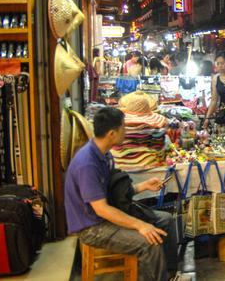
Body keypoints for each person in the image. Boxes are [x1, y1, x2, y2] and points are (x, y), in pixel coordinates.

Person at [64, 107, 178, 281]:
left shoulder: (104, 154)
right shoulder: (87, 163)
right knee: (150, 243)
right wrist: (140, 225)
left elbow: (114, 193)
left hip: (107, 214)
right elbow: (102, 209)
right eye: (123, 127)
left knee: (166, 221)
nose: (126, 131)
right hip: (93, 226)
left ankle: (170, 275)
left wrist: (143, 186)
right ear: (111, 133)